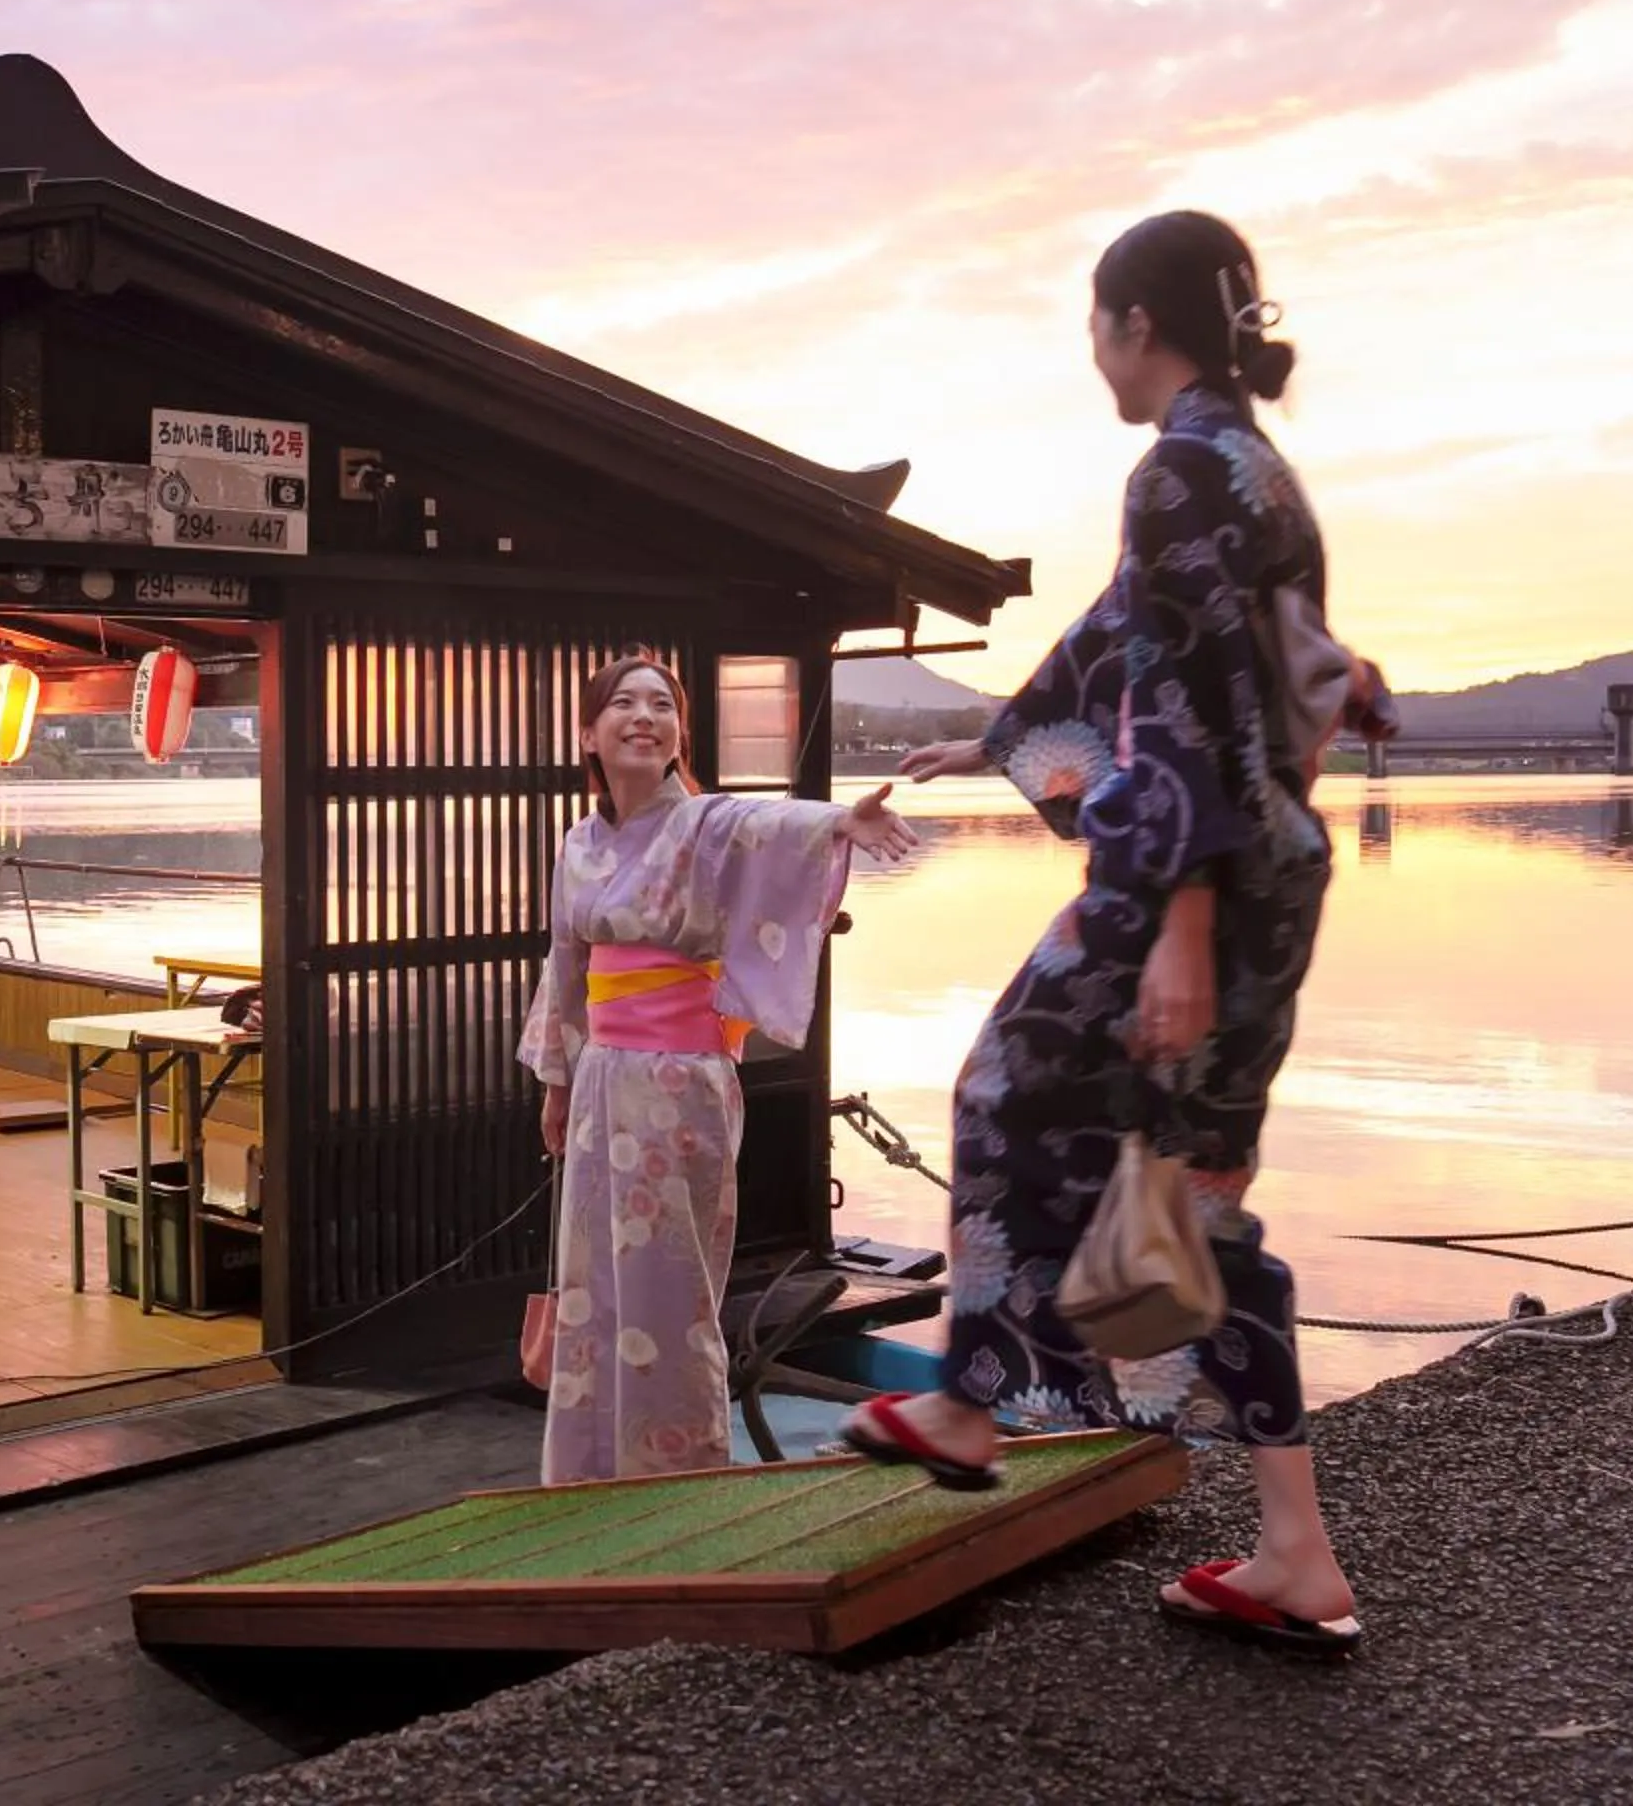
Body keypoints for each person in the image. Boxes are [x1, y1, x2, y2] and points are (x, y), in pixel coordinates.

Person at [840, 211, 1370, 1654]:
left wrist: (1180, 916)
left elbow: (1182, 693)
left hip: (1191, 886)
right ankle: (1295, 1551)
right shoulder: (1251, 466)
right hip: (1274, 879)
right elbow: (1139, 636)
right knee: (1194, 1203)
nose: (1095, 353)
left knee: (1003, 1091)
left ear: (1136, 323)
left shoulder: (1177, 471)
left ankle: (974, 1401)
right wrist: (1001, 737)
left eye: (1097, 324)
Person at [521, 654, 918, 1485]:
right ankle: (590, 1472)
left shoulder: (703, 826)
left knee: (670, 1286)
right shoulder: (580, 844)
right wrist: (557, 1083)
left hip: (679, 1085)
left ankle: (675, 1473)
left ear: (679, 734)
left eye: (661, 706)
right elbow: (566, 967)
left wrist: (842, 821)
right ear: (588, 733)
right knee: (593, 1280)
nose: (644, 717)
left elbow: (769, 823)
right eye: (623, 704)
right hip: (600, 1080)